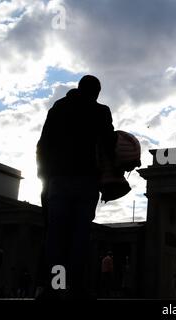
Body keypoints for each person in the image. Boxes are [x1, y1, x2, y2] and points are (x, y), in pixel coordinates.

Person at [36, 75, 116, 299]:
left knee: (56, 235)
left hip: (57, 180)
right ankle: (76, 288)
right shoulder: (101, 111)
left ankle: (56, 287)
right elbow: (109, 145)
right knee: (80, 235)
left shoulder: (58, 108)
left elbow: (43, 143)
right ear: (96, 92)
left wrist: (43, 177)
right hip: (87, 180)